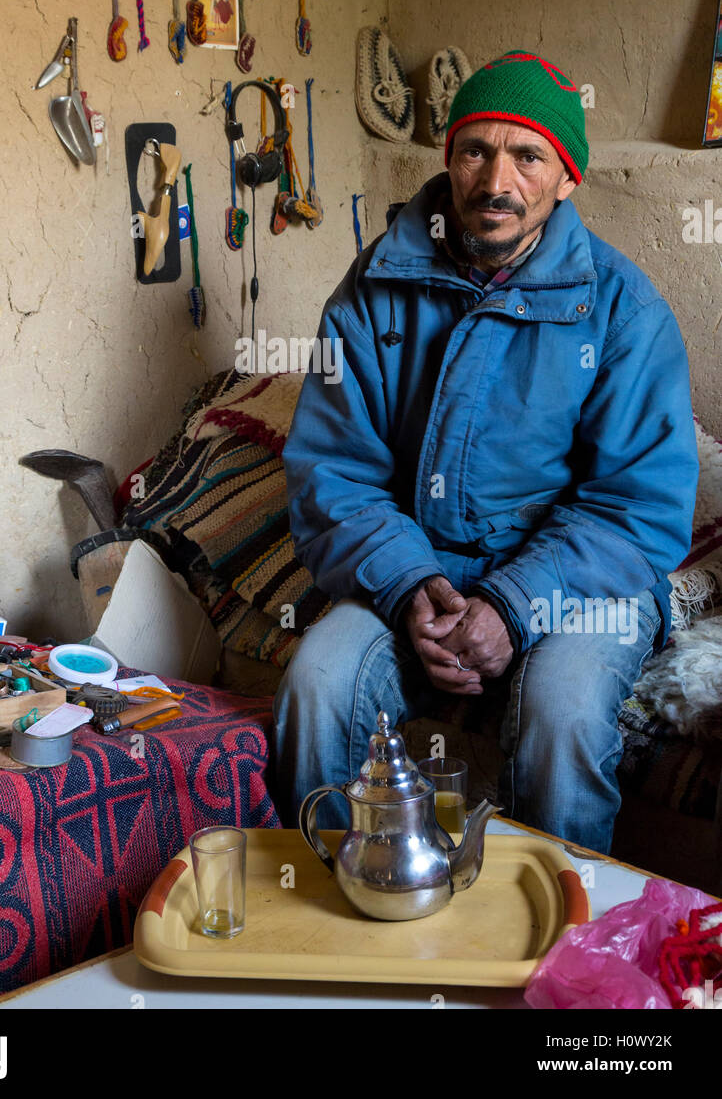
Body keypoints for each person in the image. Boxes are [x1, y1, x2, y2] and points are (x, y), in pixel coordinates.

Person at [275, 51, 699, 855]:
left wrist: (513, 604)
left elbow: (638, 509)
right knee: (317, 685)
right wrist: (406, 586)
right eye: (476, 150)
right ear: (448, 158)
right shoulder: (375, 285)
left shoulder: (623, 309)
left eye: (528, 156)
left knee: (563, 716)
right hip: (418, 565)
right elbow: (333, 467)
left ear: (566, 179)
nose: (495, 180)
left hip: (574, 580)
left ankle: (565, 956)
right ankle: (332, 923)